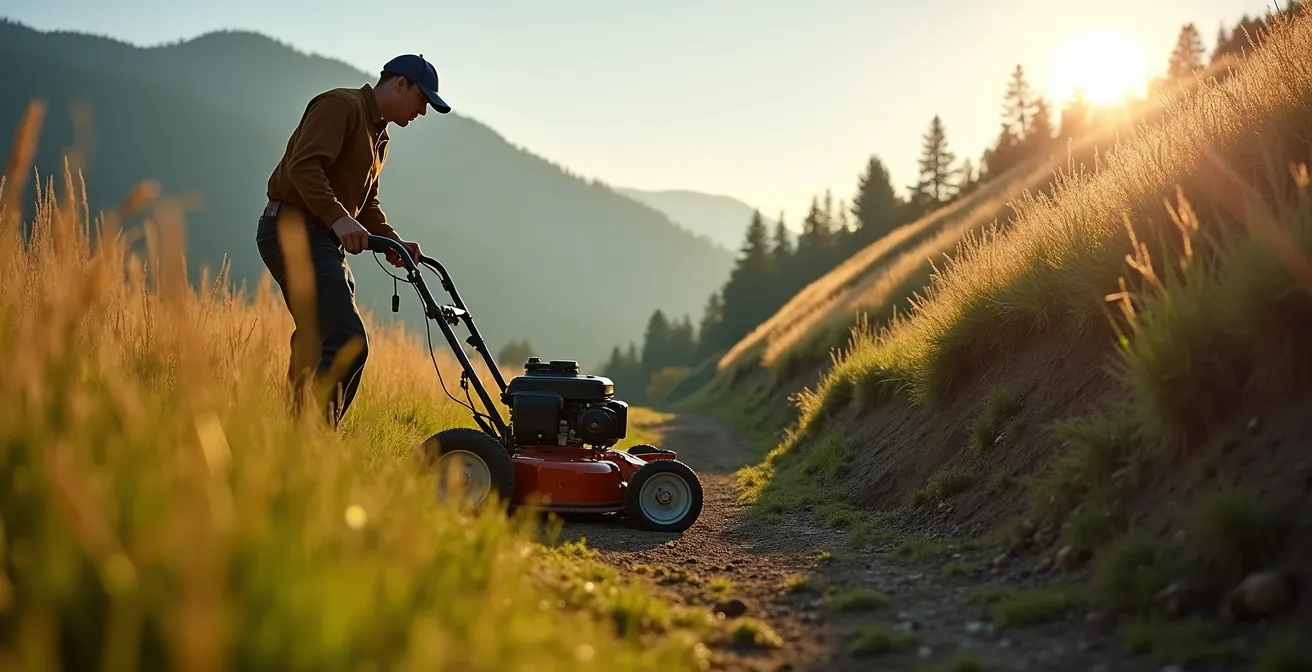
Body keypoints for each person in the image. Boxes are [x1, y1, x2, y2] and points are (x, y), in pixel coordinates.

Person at [255, 53, 451, 428]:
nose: (422, 112)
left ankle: (291, 440)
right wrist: (338, 217)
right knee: (347, 342)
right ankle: (312, 438)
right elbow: (303, 166)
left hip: (322, 238)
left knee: (315, 340)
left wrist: (393, 242)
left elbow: (366, 204)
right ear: (400, 84)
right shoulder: (340, 106)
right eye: (422, 100)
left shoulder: (380, 138)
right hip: (293, 230)